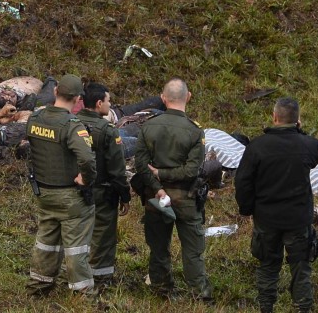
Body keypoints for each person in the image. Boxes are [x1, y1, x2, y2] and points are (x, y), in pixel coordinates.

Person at [234, 97, 318, 313]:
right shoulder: (306, 145)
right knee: (301, 267)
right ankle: (303, 308)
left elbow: (242, 181)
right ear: (298, 121)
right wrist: (300, 133)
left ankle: (266, 308)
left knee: (267, 266)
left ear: (274, 117)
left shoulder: (257, 146)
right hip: (297, 220)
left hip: (266, 219)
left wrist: (247, 208)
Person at [134, 77, 213, 301]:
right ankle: (199, 292)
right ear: (188, 97)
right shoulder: (195, 131)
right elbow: (192, 170)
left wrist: (158, 184)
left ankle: (161, 289)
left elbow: (141, 165)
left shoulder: (148, 126)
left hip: (155, 198)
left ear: (162, 98)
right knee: (193, 249)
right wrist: (166, 175)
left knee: (158, 246)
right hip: (186, 198)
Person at [26, 74, 97, 295]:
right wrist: (86, 178)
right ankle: (83, 292)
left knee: (46, 240)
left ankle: (39, 284)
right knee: (76, 246)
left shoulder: (35, 119)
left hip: (44, 192)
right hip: (70, 196)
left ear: (55, 91)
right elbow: (86, 158)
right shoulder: (73, 126)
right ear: (77, 99)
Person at [76, 83, 131, 289]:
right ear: (99, 104)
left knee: (76, 231)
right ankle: (100, 278)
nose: (110, 104)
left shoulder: (70, 123)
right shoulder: (107, 131)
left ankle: (73, 272)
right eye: (108, 101)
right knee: (103, 235)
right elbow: (117, 169)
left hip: (72, 187)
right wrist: (124, 196)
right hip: (102, 190)